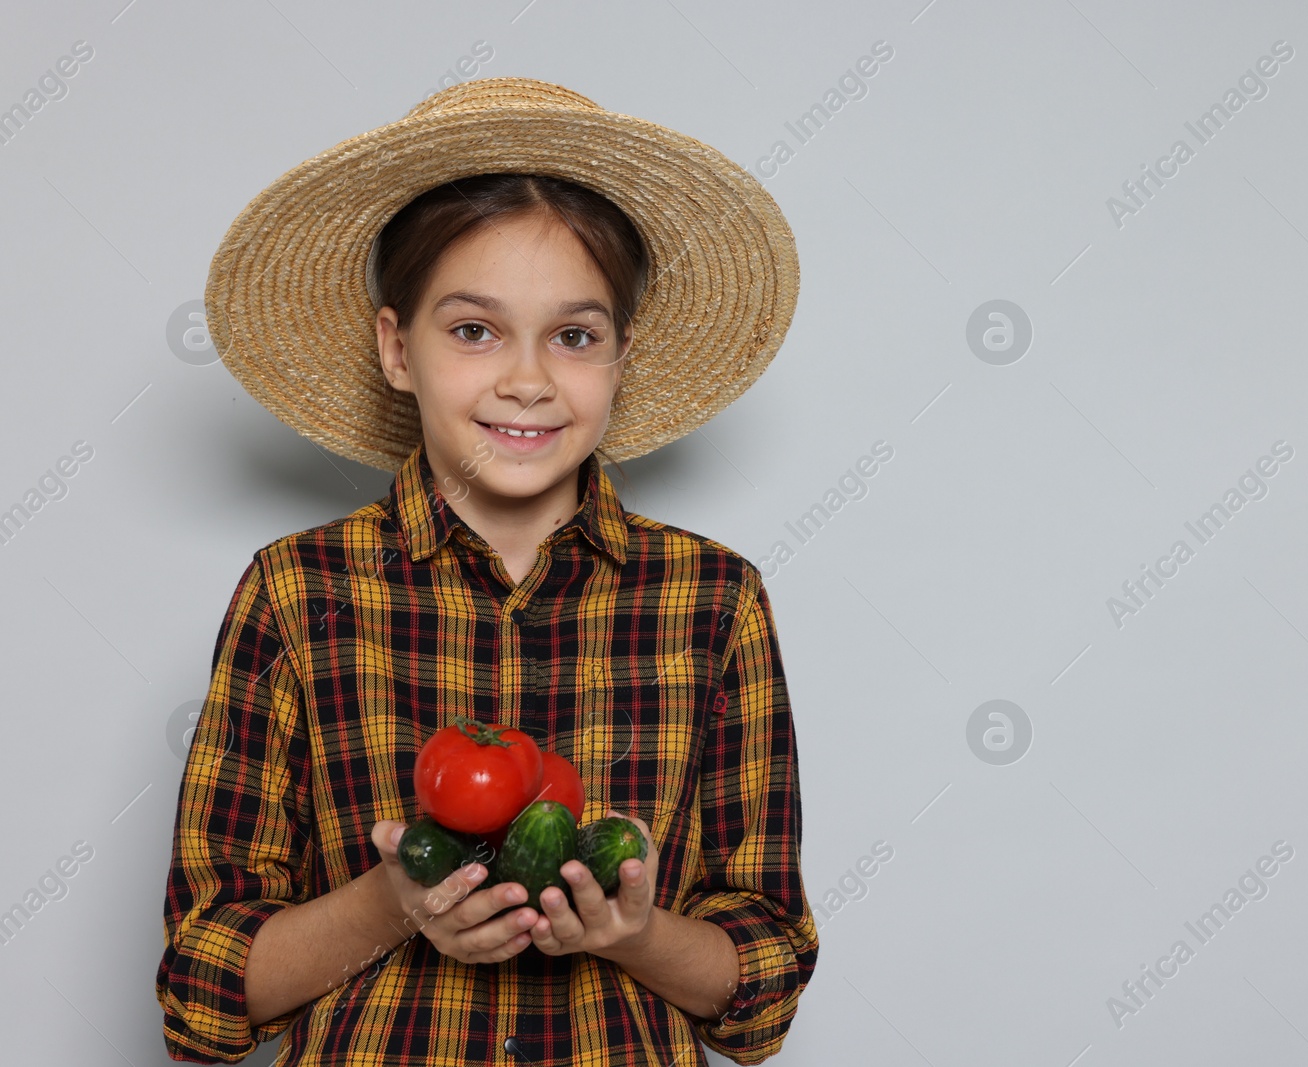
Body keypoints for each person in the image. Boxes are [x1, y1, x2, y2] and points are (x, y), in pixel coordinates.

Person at [156, 78, 815, 1066]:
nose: (527, 378)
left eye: (574, 335)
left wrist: (634, 934)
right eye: (474, 329)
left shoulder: (711, 600)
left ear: (621, 356)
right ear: (396, 347)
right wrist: (394, 901)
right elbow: (201, 995)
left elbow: (759, 992)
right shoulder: (297, 592)